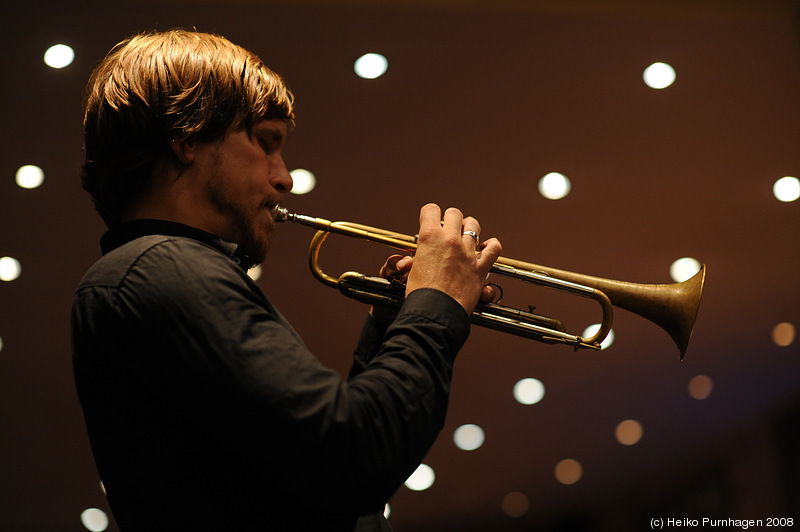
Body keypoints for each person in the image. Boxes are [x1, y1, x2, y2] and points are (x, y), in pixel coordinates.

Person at [71, 29, 502, 532]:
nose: (284, 178)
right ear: (188, 137)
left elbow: (324, 491)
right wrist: (437, 303)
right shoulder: (162, 268)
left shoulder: (152, 272)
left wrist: (394, 323)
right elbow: (357, 458)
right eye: (265, 142)